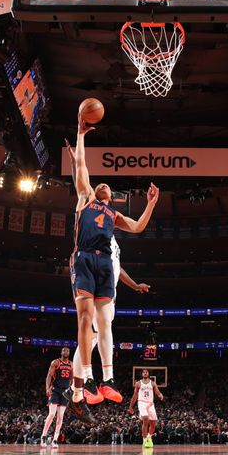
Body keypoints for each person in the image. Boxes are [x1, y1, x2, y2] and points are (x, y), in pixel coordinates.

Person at [66, 112, 159, 423]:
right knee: (86, 317)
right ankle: (86, 382)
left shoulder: (114, 217)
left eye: (107, 185)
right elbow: (81, 167)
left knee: (105, 323)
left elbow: (138, 227)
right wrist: (80, 135)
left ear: (113, 198)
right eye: (99, 183)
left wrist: (150, 205)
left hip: (106, 263)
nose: (103, 185)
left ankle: (106, 380)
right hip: (84, 258)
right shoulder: (84, 199)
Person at [40, 347, 71, 448]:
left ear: (69, 353)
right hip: (55, 390)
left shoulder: (72, 364)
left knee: (60, 416)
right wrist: (47, 388)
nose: (65, 352)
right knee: (52, 414)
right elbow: (49, 376)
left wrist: (71, 389)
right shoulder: (56, 362)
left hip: (65, 391)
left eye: (67, 351)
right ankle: (43, 436)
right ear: (61, 352)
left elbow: (72, 379)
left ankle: (55, 439)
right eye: (64, 351)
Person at [128, 369, 163, 448]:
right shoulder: (138, 383)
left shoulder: (153, 383)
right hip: (142, 402)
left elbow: (157, 391)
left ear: (148, 374)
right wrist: (131, 406)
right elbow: (134, 396)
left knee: (153, 424)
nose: (145, 373)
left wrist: (160, 395)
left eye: (146, 372)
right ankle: (144, 440)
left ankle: (149, 437)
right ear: (142, 374)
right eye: (143, 372)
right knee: (145, 418)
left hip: (150, 403)